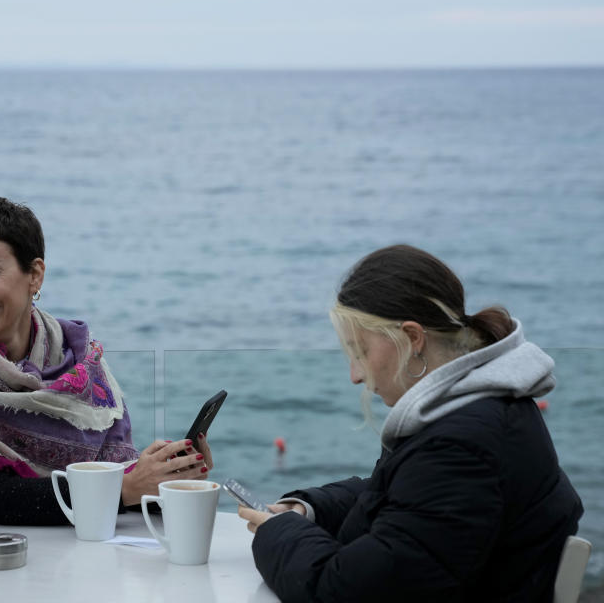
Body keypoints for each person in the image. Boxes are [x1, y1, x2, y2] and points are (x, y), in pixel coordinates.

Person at [239, 244, 583, 602]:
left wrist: (279, 533)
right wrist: (307, 510)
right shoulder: (487, 408)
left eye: (361, 352)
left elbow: (340, 592)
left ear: (413, 338)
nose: (355, 375)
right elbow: (399, 498)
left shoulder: (459, 446)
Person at [0, 197, 213, 525]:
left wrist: (166, 480)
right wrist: (121, 490)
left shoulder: (76, 356)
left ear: (34, 275)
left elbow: (118, 475)